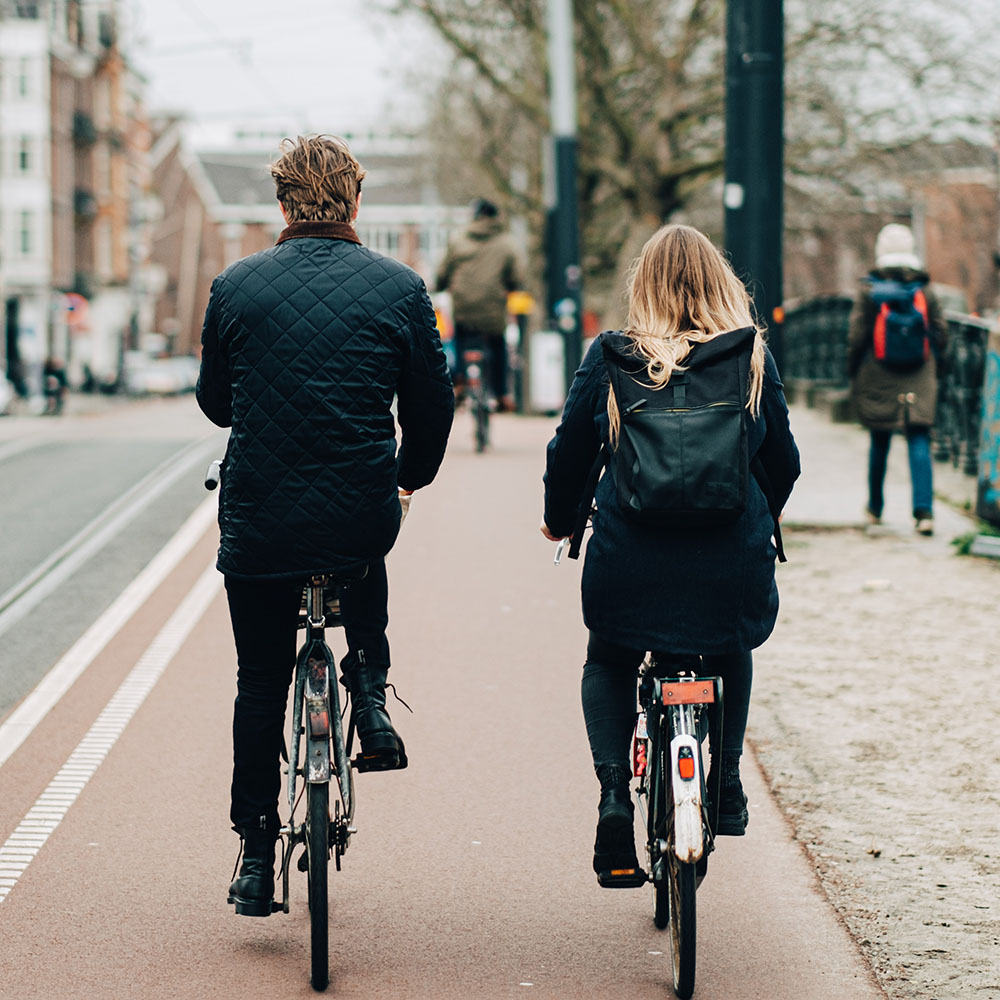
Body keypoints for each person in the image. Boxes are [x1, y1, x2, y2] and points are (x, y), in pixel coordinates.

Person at [196, 135, 454, 916]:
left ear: (281, 205)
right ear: (356, 202)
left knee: (258, 683)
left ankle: (252, 848)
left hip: (261, 517)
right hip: (358, 506)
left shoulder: (235, 287)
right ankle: (370, 698)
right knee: (362, 550)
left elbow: (216, 404)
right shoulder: (401, 288)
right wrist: (408, 479)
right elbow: (431, 409)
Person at [540, 224, 799, 880]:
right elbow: (785, 465)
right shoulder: (750, 359)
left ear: (644, 287)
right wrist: (758, 518)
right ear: (722, 284)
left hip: (632, 564)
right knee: (729, 640)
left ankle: (612, 803)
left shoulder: (613, 356)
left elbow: (569, 453)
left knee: (609, 659)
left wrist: (558, 521)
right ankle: (728, 784)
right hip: (727, 564)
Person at [848, 223, 947, 536]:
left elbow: (857, 335)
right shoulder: (924, 288)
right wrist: (938, 367)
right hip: (920, 372)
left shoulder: (869, 290)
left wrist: (852, 369)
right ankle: (924, 513)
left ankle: (875, 509)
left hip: (879, 372)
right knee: (919, 438)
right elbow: (941, 333)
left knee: (880, 439)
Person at [436, 198, 523, 410]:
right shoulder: (506, 243)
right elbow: (517, 277)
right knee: (498, 344)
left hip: (464, 308)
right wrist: (511, 287)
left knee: (459, 337)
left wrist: (441, 285)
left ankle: (458, 382)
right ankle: (502, 393)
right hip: (493, 311)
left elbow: (442, 273)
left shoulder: (458, 240)